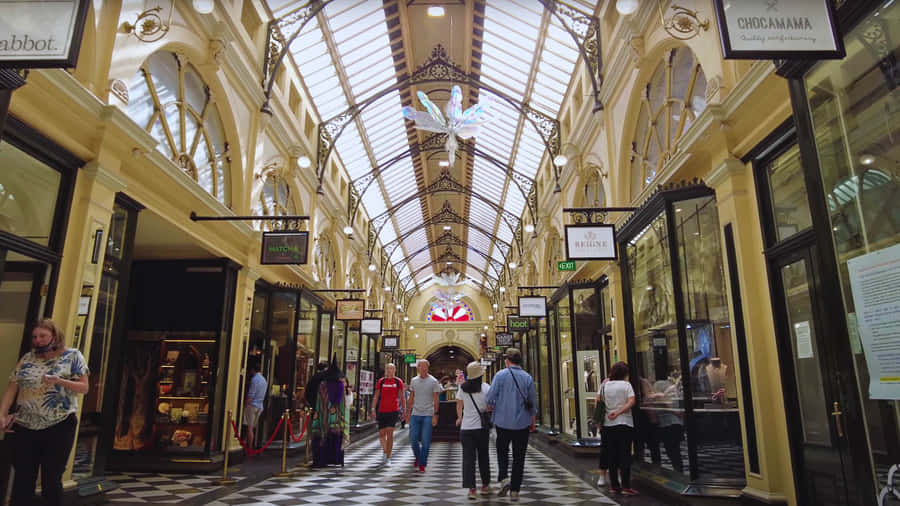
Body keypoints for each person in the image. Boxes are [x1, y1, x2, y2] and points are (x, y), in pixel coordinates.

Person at [0, 319, 89, 506]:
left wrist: (60, 381)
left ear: (54, 337)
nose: (38, 340)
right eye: (35, 337)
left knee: (51, 478)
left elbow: (84, 387)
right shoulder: (28, 358)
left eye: (43, 336)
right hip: (25, 424)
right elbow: (12, 387)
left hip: (59, 424)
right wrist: (3, 413)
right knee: (23, 478)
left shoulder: (73, 356)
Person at [485, 348, 537, 502]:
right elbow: (532, 402)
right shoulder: (527, 377)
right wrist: (532, 421)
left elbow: (490, 397)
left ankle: (503, 478)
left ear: (507, 360)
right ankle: (515, 490)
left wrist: (492, 405)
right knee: (519, 457)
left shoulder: (500, 375)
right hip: (522, 423)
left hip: (502, 422)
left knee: (502, 451)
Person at [601, 361, 638, 496]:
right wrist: (618, 412)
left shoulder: (605, 385)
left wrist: (610, 413)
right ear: (625, 374)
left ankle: (614, 486)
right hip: (624, 423)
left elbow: (599, 402)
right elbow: (631, 401)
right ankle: (626, 486)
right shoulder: (626, 385)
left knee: (612, 455)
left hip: (608, 424)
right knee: (625, 455)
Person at [456, 361, 492, 500]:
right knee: (483, 456)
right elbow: (489, 406)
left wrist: (460, 418)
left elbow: (459, 405)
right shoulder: (486, 388)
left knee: (468, 459)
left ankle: (471, 489)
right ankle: (485, 486)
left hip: (466, 428)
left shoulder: (462, 388)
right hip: (481, 428)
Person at [309, 355, 348, 467]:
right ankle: (336, 459)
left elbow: (319, 401)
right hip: (336, 419)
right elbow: (343, 404)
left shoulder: (322, 385)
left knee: (321, 436)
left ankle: (321, 460)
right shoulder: (340, 386)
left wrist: (317, 412)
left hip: (322, 417)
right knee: (335, 437)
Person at [405, 359, 442, 472]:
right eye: (421, 366)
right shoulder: (414, 381)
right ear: (418, 368)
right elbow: (411, 397)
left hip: (428, 414)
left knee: (426, 441)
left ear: (428, 367)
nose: (423, 368)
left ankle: (422, 463)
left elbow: (436, 399)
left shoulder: (433, 381)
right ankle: (418, 456)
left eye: (425, 366)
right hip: (415, 413)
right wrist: (408, 413)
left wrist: (435, 414)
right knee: (413, 439)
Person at [371, 363, 405, 467]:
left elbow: (402, 397)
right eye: (387, 368)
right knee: (382, 435)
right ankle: (385, 452)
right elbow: (376, 396)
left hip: (393, 411)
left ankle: (388, 457)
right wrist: (373, 408)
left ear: (394, 370)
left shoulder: (398, 381)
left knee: (390, 434)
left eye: (391, 368)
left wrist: (404, 410)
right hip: (381, 410)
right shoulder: (381, 382)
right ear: (385, 370)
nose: (389, 370)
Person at [242, 360, 267, 450]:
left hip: (252, 406)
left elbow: (250, 395)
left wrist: (245, 405)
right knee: (251, 427)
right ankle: (245, 443)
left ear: (253, 370)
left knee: (249, 428)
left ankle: (250, 447)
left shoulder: (254, 379)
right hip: (260, 406)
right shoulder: (264, 380)